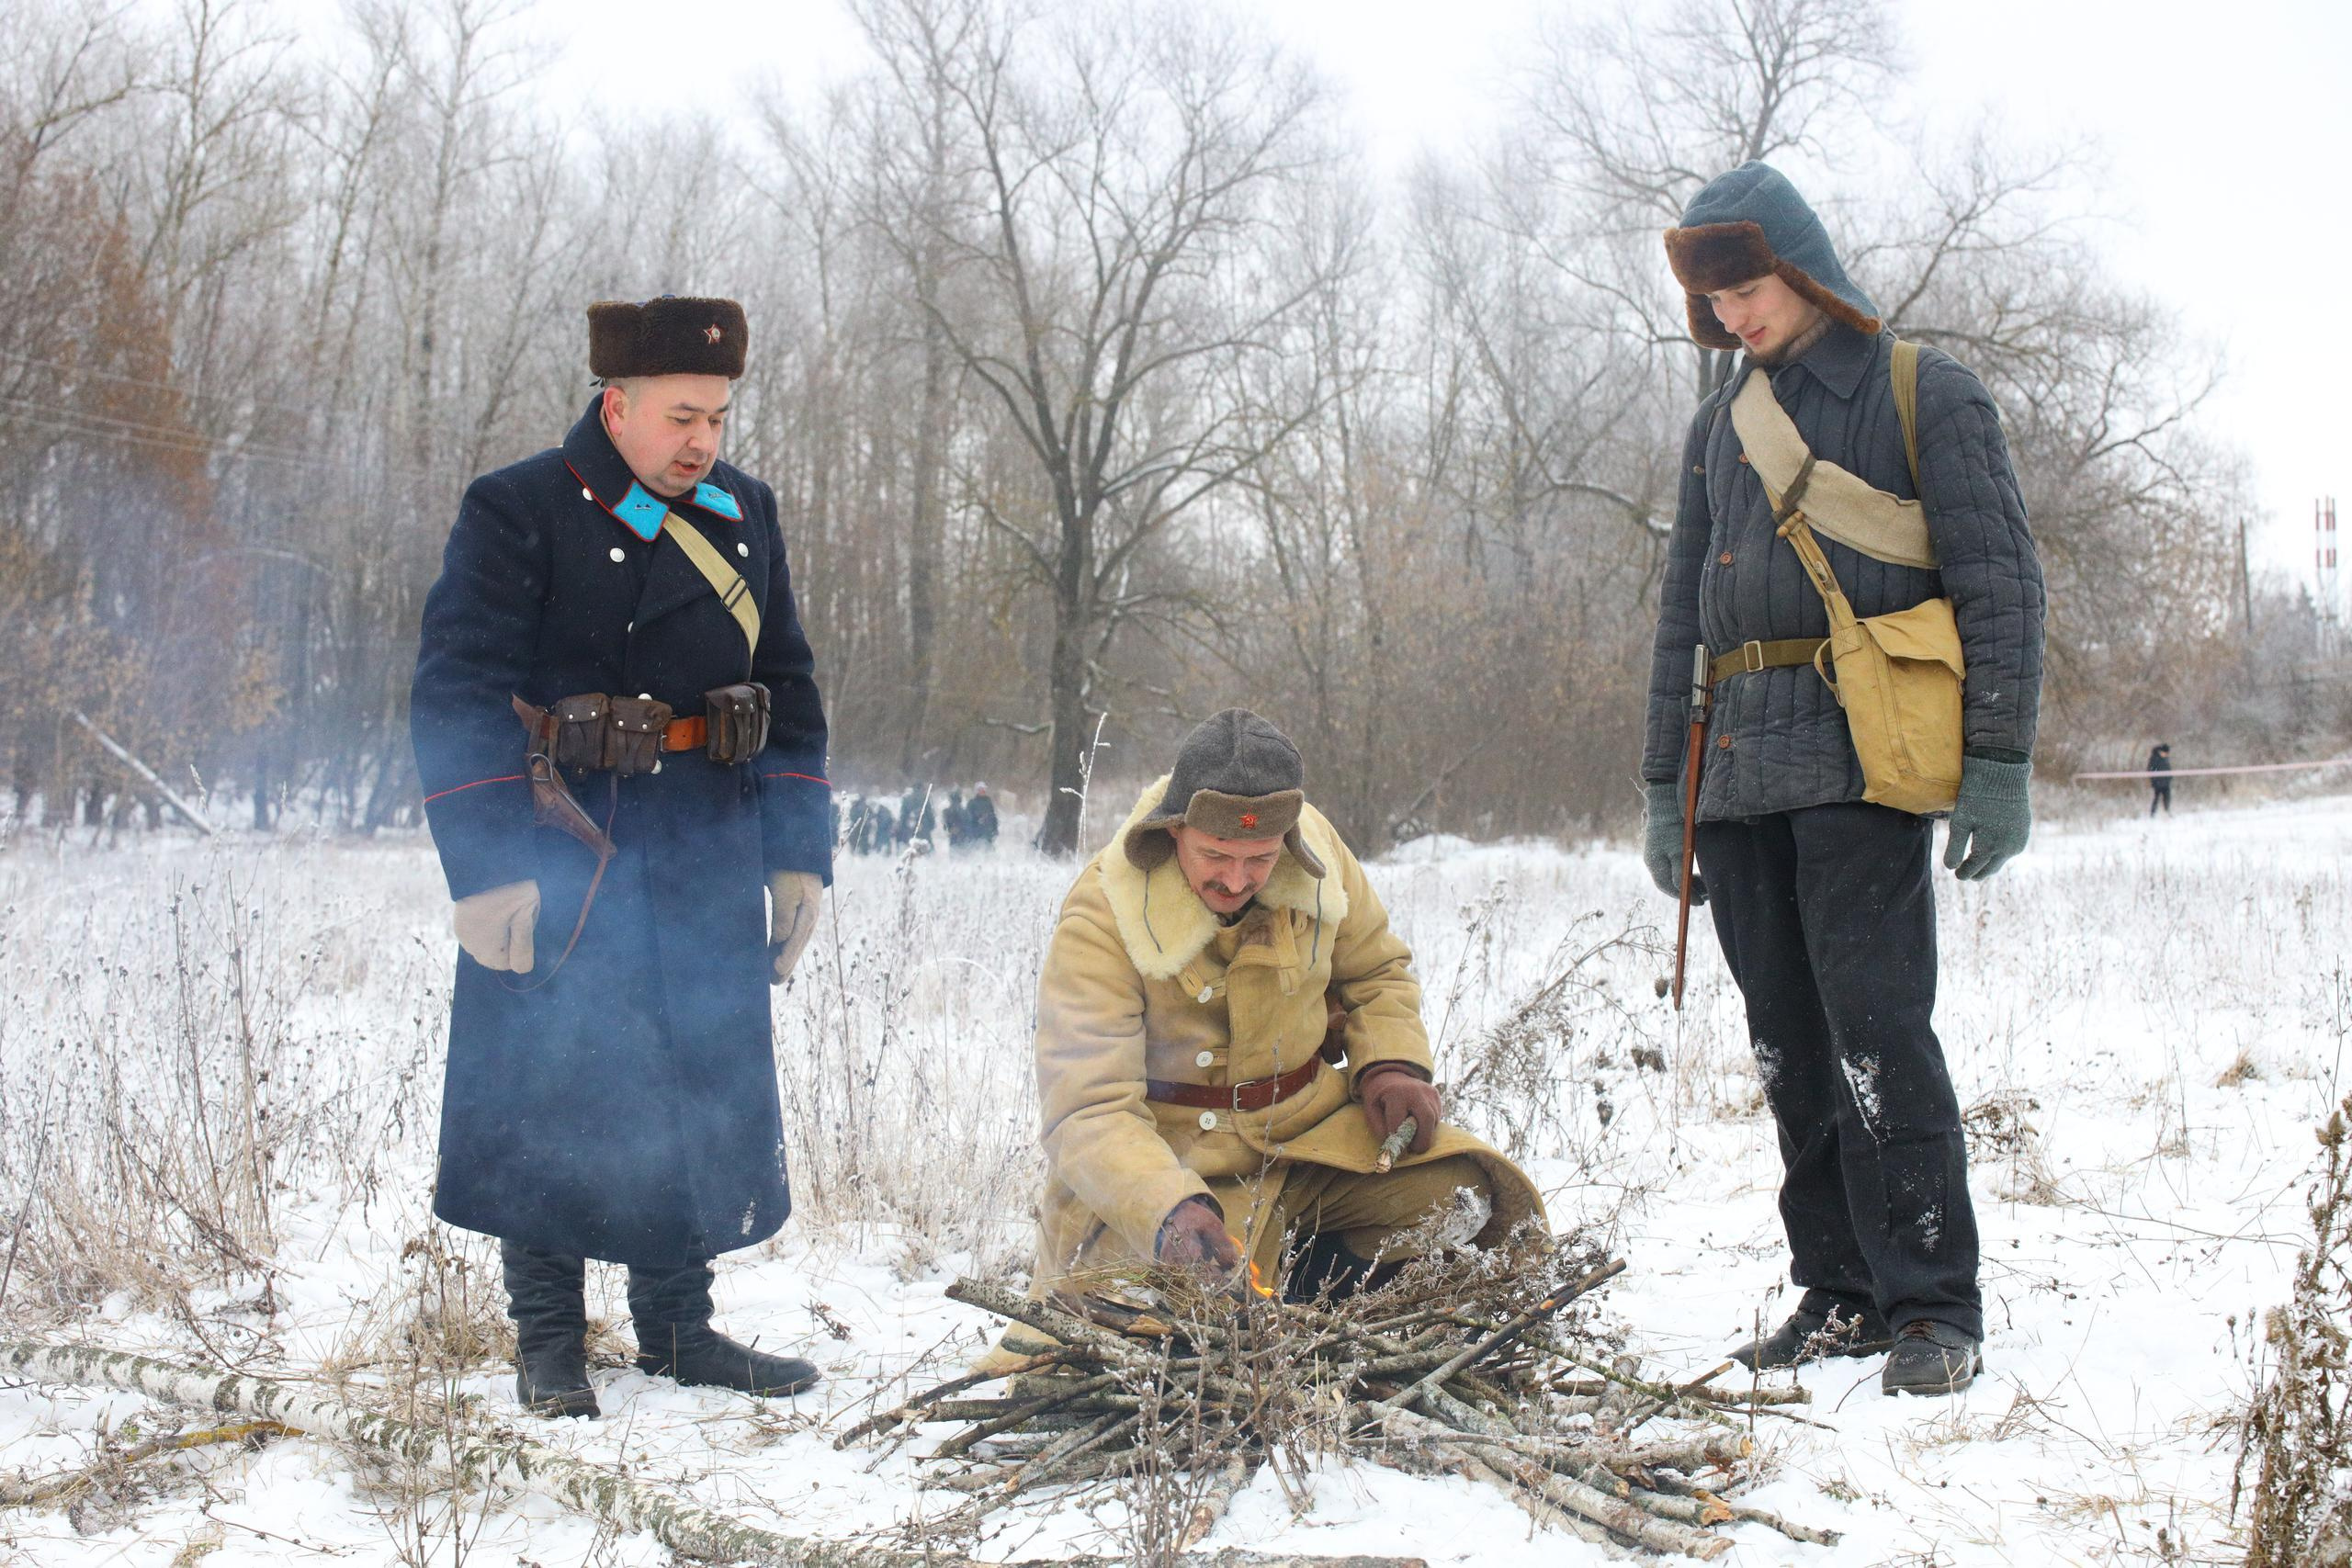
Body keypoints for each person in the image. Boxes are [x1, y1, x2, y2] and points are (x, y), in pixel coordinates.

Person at [1638, 164, 2045, 1396]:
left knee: (1878, 1034)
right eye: (1716, 302)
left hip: (1863, 759)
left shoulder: (1926, 393)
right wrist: (1663, 790)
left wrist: (1998, 763)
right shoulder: (1718, 427)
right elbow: (1680, 620)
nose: (1734, 318)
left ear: (1802, 268)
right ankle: (1840, 1291)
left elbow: (2001, 584)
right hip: (1737, 770)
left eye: (1747, 290)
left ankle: (1931, 1304)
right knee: (1788, 1047)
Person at [411, 295, 833, 1417]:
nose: (703, 440)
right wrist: (485, 866)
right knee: (553, 1079)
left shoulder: (744, 512)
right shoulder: (519, 507)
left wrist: (797, 852)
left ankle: (680, 1329)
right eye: (683, 416)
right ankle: (549, 1340)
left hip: (705, 839)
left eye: (718, 417)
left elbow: (787, 684)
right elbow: (457, 689)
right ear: (618, 403)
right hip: (569, 839)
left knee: (690, 1074)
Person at [982, 709, 1543, 1369]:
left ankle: (1312, 1319)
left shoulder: (1320, 855)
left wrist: (1391, 1064)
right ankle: (1260, 1321)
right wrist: (1168, 1212)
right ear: (1173, 830)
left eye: (1261, 859)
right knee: (1160, 1334)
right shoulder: (1104, 912)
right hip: (1179, 1167)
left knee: (1462, 1196)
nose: (1237, 879)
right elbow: (1088, 1110)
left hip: (1308, 1139)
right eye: (1215, 855)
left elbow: (1377, 970)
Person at [967, 782, 1000, 846]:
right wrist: (977, 818)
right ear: (977, 791)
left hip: (988, 832)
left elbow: (993, 816)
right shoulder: (972, 802)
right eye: (980, 789)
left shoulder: (988, 801)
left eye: (983, 789)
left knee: (989, 849)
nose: (982, 791)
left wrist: (995, 829)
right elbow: (968, 818)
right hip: (976, 833)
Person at [2148, 743, 2173, 816]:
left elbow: (2168, 769)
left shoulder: (2166, 759)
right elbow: (2151, 770)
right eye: (2166, 753)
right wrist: (2155, 780)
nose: (2167, 755)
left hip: (2166, 783)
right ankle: (2153, 814)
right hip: (2157, 783)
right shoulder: (2154, 758)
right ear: (2161, 751)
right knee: (2156, 798)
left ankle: (2167, 811)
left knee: (2167, 798)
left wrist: (2169, 778)